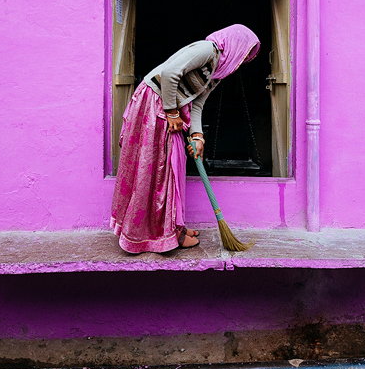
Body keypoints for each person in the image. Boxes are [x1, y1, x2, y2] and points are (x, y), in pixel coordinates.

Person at [110, 24, 261, 253]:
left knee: (174, 168)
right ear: (234, 46)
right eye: (243, 56)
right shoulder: (208, 50)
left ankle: (173, 226)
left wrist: (198, 136)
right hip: (155, 104)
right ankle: (161, 234)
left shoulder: (216, 73)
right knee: (161, 169)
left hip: (168, 109)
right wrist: (171, 112)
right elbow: (170, 72)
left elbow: (197, 103)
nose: (240, 64)